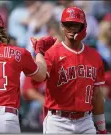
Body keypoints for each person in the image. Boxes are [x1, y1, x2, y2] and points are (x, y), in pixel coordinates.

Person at [31, 6, 107, 134]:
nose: (71, 28)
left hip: (86, 121)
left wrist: (101, 127)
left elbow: (97, 95)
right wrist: (39, 53)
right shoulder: (52, 53)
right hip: (58, 121)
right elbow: (38, 78)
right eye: (68, 24)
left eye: (75, 24)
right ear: (62, 26)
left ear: (84, 26)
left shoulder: (94, 56)